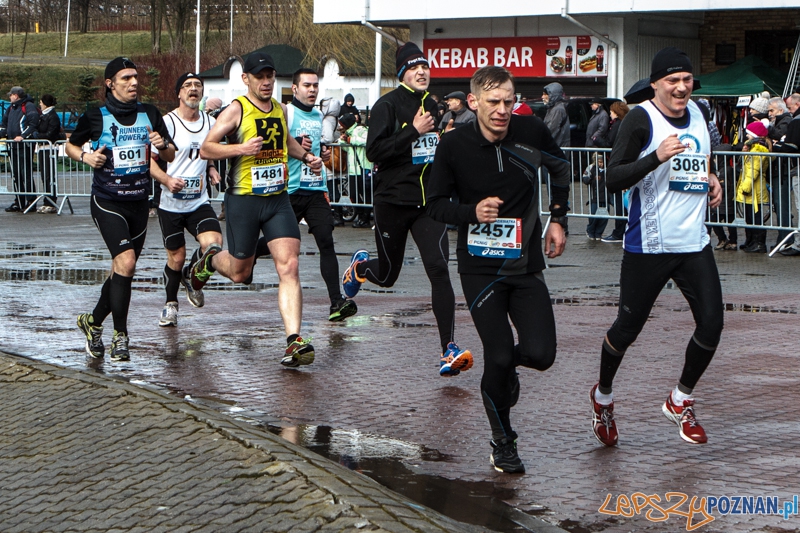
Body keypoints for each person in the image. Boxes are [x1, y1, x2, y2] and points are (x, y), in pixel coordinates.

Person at [427, 65, 570, 473]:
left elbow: (560, 171)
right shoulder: (453, 145)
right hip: (479, 270)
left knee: (541, 355)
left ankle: (507, 372)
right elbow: (435, 204)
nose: (503, 110)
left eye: (508, 101)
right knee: (499, 353)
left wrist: (558, 219)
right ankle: (503, 441)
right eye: (493, 102)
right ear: (473, 102)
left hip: (524, 265)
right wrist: (470, 212)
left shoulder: (532, 132)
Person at [590, 47, 724, 448]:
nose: (681, 88)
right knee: (626, 330)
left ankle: (679, 399)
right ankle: (603, 398)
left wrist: (712, 178)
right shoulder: (639, 119)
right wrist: (655, 157)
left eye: (686, 80)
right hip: (649, 245)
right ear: (656, 84)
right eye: (672, 81)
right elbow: (612, 179)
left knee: (713, 324)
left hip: (693, 242)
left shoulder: (699, 111)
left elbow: (701, 156)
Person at [341, 42, 473, 377]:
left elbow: (435, 152)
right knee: (387, 276)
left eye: (425, 66)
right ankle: (361, 267)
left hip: (429, 204)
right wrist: (412, 131)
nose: (422, 72)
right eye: (414, 67)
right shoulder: (388, 105)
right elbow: (373, 152)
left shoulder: (434, 104)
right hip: (392, 202)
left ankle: (449, 349)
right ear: (402, 73)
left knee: (439, 269)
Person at [194, 52, 323, 368]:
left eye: (271, 76)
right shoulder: (237, 109)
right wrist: (240, 148)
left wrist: (306, 158)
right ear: (246, 79)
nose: (266, 82)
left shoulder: (280, 108)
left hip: (277, 200)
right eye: (260, 77)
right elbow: (206, 147)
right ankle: (209, 260)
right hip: (244, 199)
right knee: (241, 273)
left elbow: (286, 143)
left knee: (289, 264)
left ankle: (294, 341)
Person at [67, 57, 176, 362]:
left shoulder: (150, 113)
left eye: (135, 77)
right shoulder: (95, 116)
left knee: (121, 270)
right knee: (126, 263)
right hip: (108, 201)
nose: (134, 83)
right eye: (126, 78)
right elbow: (70, 146)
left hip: (139, 203)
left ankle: (92, 323)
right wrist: (86, 157)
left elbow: (169, 152)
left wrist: (162, 143)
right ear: (110, 83)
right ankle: (121, 337)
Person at [148, 72, 224, 327]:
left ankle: (192, 277)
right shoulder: (167, 122)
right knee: (176, 257)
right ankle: (171, 304)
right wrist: (167, 181)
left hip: (198, 201)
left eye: (198, 86)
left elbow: (208, 150)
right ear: (179, 93)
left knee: (213, 244)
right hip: (170, 203)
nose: (193, 89)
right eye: (187, 86)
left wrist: (211, 167)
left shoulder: (210, 122)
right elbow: (148, 161)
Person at [284, 68, 357, 321]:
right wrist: (293, 143)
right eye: (307, 85)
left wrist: (324, 154)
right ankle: (244, 255)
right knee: (277, 245)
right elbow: (276, 145)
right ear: (295, 88)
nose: (312, 89)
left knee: (326, 242)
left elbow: (319, 147)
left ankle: (336, 301)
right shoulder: (287, 112)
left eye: (315, 85)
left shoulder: (318, 115)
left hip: (316, 190)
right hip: (290, 191)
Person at [1, 86, 39, 213]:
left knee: (26, 173)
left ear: (16, 95)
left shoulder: (28, 106)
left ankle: (30, 201)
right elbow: (5, 125)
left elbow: (33, 124)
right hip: (13, 146)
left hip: (25, 146)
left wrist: (22, 136)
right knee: (16, 174)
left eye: (10, 95)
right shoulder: (11, 108)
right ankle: (19, 200)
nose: (9, 97)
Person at [735, 121, 772, 254]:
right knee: (749, 216)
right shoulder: (753, 148)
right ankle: (751, 240)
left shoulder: (757, 149)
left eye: (748, 134)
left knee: (755, 217)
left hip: (754, 189)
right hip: (752, 189)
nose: (746, 137)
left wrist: (745, 187)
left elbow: (753, 170)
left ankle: (759, 243)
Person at [769, 95, 799, 255]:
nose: (769, 114)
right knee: (782, 206)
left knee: (785, 206)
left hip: (785, 170)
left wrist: (777, 144)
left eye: (772, 110)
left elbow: (789, 146)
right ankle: (785, 238)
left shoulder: (789, 121)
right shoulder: (789, 120)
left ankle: (787, 239)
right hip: (782, 170)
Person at [600, 101, 630, 243]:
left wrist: (597, 139)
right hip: (624, 164)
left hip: (619, 165)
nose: (610, 113)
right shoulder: (626, 123)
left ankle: (619, 231)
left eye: (611, 111)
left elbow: (609, 142)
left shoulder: (618, 125)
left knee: (620, 201)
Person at [339, 113, 373, 229]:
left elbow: (367, 141)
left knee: (366, 194)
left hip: (363, 166)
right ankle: (362, 215)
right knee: (353, 194)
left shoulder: (361, 130)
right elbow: (347, 148)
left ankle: (365, 218)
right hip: (354, 169)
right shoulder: (349, 133)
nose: (341, 127)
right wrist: (343, 141)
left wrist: (350, 139)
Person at [36, 94, 62, 214]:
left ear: (45, 103)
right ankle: (46, 201)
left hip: (50, 148)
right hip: (42, 148)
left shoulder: (53, 116)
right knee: (44, 175)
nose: (39, 104)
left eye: (41, 102)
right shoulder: (43, 115)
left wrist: (37, 136)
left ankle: (51, 202)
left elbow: (51, 134)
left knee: (49, 175)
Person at [582, 152, 609, 239]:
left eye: (602, 162)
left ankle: (599, 233)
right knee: (593, 215)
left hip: (605, 197)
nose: (601, 164)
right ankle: (590, 231)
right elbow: (585, 178)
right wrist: (591, 178)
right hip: (594, 196)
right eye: (599, 162)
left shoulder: (607, 169)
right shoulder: (591, 168)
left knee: (604, 217)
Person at [541, 82, 570, 148]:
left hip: (556, 148)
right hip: (556, 147)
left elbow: (551, 129)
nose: (542, 97)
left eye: (545, 94)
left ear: (553, 95)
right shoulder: (554, 108)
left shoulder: (557, 109)